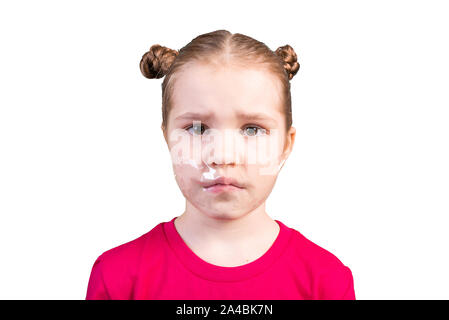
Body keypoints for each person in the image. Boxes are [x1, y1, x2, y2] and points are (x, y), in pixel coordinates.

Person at [85, 29, 355, 300]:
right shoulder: (117, 278)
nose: (223, 155)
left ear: (286, 144)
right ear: (167, 137)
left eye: (252, 130)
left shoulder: (326, 282)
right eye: (198, 128)